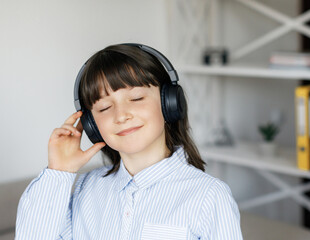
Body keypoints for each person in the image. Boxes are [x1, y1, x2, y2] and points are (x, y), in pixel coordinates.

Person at [15, 43, 243, 239]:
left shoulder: (209, 195)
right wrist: (59, 171)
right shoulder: (85, 189)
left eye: (136, 98)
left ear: (169, 103)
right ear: (92, 126)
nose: (121, 115)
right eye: (104, 107)